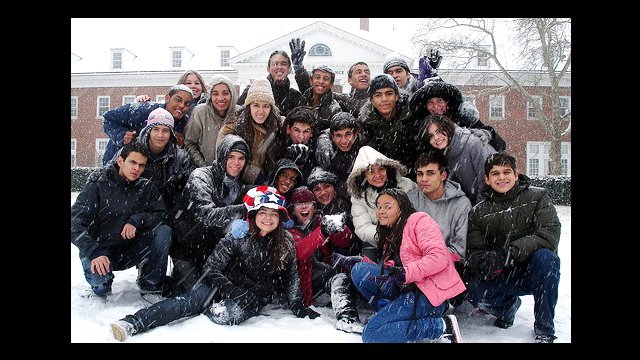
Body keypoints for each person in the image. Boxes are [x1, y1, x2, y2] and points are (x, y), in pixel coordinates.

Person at [109, 186, 320, 342]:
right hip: (218, 285)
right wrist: (231, 289)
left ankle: (209, 310)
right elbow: (211, 268)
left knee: (227, 316)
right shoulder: (238, 236)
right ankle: (133, 322)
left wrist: (297, 305)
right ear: (253, 215)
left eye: (273, 214)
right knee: (187, 303)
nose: (268, 218)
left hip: (251, 295)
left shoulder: (285, 242)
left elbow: (293, 275)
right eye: (263, 213)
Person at [463, 151, 561, 343]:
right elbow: (475, 250)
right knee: (470, 286)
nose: (502, 178)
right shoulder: (478, 213)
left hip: (532, 269)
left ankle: (544, 328)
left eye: (506, 172)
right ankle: (506, 308)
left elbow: (548, 234)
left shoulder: (538, 197)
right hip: (501, 272)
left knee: (548, 259)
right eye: (495, 173)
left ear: (516, 174)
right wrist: (484, 262)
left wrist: (510, 253)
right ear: (487, 179)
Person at [350, 188, 465, 343]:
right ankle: (392, 316)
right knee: (359, 270)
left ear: (401, 208)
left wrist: (405, 273)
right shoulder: (391, 232)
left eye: (388, 206)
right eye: (379, 206)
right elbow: (394, 267)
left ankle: (442, 326)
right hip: (405, 290)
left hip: (427, 295)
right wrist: (356, 261)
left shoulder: (420, 220)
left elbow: (439, 257)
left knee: (372, 334)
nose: (381, 211)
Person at [71, 141, 171, 304]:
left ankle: (150, 284)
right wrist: (94, 251)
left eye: (141, 165)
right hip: (100, 250)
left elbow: (162, 215)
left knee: (164, 231)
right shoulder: (97, 185)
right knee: (99, 283)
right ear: (120, 161)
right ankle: (102, 283)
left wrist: (137, 220)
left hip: (130, 249)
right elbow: (74, 223)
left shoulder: (145, 187)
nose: (136, 169)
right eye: (132, 162)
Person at [169, 134, 251, 295]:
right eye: (231, 157)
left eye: (241, 158)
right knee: (200, 296)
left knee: (221, 292)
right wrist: (244, 208)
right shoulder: (201, 176)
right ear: (222, 156)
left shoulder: (239, 185)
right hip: (187, 250)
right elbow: (206, 215)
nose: (236, 163)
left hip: (211, 253)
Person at [286, 186, 363, 334]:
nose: (303, 206)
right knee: (339, 279)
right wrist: (322, 231)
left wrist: (340, 228)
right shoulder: (288, 231)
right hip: (305, 291)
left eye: (308, 202)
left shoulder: (322, 221)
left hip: (326, 282)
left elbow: (346, 241)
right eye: (298, 204)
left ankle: (348, 318)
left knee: (341, 278)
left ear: (314, 207)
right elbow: (300, 252)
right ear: (292, 210)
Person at [406, 151, 471, 307]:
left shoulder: (461, 204)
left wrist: (429, 264)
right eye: (420, 174)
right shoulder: (410, 199)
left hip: (445, 264)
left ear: (443, 175)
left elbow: (458, 250)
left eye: (430, 173)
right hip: (414, 263)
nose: (424, 179)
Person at [106, 108, 194, 217]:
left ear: (171, 133)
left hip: (165, 214)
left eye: (165, 130)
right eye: (156, 129)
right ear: (149, 131)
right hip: (128, 211)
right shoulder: (129, 151)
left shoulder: (181, 158)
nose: (160, 135)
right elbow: (108, 175)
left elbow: (189, 191)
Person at [347, 145, 417, 262]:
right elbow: (362, 227)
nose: (377, 175)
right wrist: (386, 236)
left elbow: (417, 212)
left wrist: (402, 234)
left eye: (381, 169)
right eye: (371, 172)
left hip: (408, 237)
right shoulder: (359, 197)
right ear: (363, 175)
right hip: (376, 241)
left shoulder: (406, 186)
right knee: (367, 269)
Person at [102, 84, 194, 164]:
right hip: (117, 163)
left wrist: (180, 144)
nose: (182, 105)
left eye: (187, 103)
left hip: (147, 168)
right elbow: (108, 118)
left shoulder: (185, 123)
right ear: (167, 98)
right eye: (178, 100)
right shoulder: (142, 111)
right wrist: (121, 136)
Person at [417, 114, 497, 205]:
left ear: (448, 127)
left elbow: (486, 181)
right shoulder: (443, 152)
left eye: (439, 131)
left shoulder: (472, 143)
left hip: (491, 202)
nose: (436, 138)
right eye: (431, 136)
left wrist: (477, 210)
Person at [408, 78, 506, 152]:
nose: (436, 106)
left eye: (440, 100)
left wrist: (488, 135)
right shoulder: (421, 126)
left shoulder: (463, 119)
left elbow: (501, 145)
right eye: (430, 102)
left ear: (447, 103)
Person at [216, 78, 283, 185]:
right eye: (256, 105)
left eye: (266, 106)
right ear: (249, 106)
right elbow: (223, 159)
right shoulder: (233, 127)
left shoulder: (276, 126)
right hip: (235, 183)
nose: (261, 111)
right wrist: (253, 175)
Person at [134, 70, 209, 147]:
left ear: (202, 86)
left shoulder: (207, 107)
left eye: (197, 83)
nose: (193, 86)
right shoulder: (167, 107)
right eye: (188, 83)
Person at [184, 74, 242, 168]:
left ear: (232, 94)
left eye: (225, 93)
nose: (220, 98)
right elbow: (190, 144)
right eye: (215, 93)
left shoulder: (239, 113)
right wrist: (204, 167)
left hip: (234, 173)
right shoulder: (200, 112)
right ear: (210, 95)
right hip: (206, 171)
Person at [357, 74, 413, 169]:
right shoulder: (365, 124)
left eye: (389, 93)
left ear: (396, 96)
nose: (384, 99)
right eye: (378, 95)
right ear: (372, 101)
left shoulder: (412, 117)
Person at [306, 166, 361, 257]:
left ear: (334, 188)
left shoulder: (350, 208)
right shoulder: (310, 212)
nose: (323, 192)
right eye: (317, 189)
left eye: (326, 186)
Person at [315, 112, 364, 203]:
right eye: (338, 136)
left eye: (348, 134)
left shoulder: (365, 148)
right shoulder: (326, 152)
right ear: (332, 137)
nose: (344, 141)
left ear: (356, 133)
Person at [237, 50, 302, 117]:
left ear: (289, 69)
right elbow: (238, 114)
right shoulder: (253, 90)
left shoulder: (295, 96)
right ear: (268, 69)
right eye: (275, 64)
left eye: (283, 64)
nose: (279, 67)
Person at [293, 63, 341, 132]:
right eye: (317, 77)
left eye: (326, 79)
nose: (321, 81)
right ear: (311, 81)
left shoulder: (335, 109)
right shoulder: (299, 101)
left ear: (331, 84)